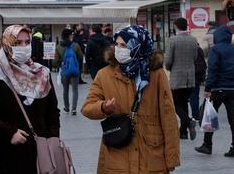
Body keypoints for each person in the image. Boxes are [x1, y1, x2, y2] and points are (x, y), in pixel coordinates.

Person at [82, 25, 180, 173]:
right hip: (117, 153)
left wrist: (172, 157)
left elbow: (168, 116)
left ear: (138, 46)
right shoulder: (104, 74)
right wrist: (103, 107)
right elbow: (87, 107)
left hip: (151, 154)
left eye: (124, 45)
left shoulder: (156, 74)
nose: (119, 49)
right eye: (117, 44)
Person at [0, 25, 60, 174]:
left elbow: (52, 111)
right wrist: (9, 132)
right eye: (17, 43)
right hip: (5, 151)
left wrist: (53, 139)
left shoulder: (42, 73)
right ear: (6, 44)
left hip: (40, 151)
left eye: (27, 42)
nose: (24, 47)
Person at [195, 26, 234, 157]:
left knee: (209, 116)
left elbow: (213, 70)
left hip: (218, 88)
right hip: (233, 88)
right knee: (233, 119)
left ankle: (207, 145)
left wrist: (208, 88)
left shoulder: (215, 49)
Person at [164, 18, 199, 140]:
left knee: (174, 103)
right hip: (190, 76)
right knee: (184, 103)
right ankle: (183, 132)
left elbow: (168, 60)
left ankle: (188, 122)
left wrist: (169, 68)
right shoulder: (193, 40)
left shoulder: (173, 40)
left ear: (176, 26)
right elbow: (195, 57)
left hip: (177, 76)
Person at [54, 29, 84, 115]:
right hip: (74, 70)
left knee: (65, 90)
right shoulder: (76, 45)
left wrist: (62, 62)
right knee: (75, 90)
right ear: (69, 36)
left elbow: (55, 61)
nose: (73, 35)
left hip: (65, 70)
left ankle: (66, 108)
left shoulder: (59, 46)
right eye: (72, 34)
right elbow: (81, 57)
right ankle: (74, 109)